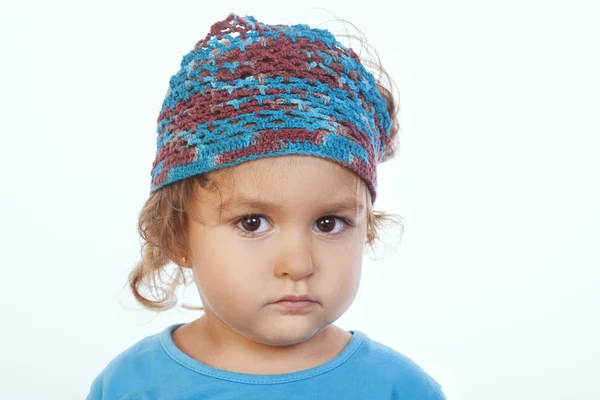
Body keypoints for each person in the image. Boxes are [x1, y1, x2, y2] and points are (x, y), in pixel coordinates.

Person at [86, 12, 447, 399]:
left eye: (328, 223)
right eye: (253, 222)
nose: (297, 264)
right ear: (177, 235)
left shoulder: (398, 389)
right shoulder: (132, 386)